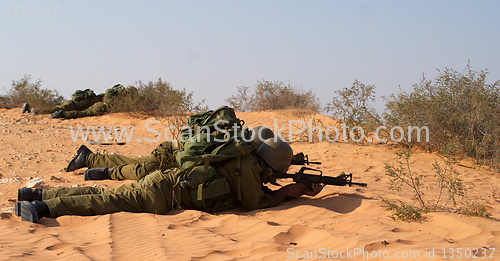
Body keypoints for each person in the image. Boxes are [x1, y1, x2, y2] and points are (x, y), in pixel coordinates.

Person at [15, 138, 324, 223]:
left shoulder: (240, 157)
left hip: (163, 182)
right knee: (106, 201)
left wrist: (290, 188)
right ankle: (42, 208)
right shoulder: (248, 169)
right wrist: (288, 193)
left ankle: (33, 194)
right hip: (162, 197)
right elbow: (256, 202)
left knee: (102, 192)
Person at [66, 126, 276, 181]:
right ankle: (105, 172)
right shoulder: (235, 147)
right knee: (141, 172)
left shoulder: (236, 137)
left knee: (136, 161)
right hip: (171, 151)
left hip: (175, 152)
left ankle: (89, 157)